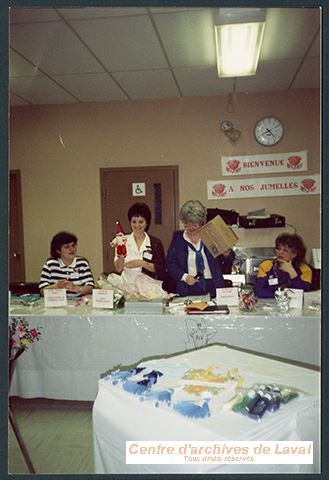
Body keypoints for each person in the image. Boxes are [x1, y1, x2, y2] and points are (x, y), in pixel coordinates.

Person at [166, 200, 228, 298]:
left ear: (201, 222)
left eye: (195, 224)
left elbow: (226, 261)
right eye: (187, 224)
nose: (190, 228)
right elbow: (170, 263)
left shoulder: (210, 235)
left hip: (212, 285)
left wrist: (226, 253)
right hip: (188, 285)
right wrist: (184, 277)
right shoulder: (178, 238)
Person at [113, 202, 166, 282]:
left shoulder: (155, 243)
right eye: (134, 222)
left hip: (149, 284)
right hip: (127, 283)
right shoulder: (122, 241)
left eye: (141, 222)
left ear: (147, 223)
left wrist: (141, 263)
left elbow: (160, 269)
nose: (137, 225)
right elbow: (119, 269)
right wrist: (121, 251)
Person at [256, 233, 312, 298]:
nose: (280, 252)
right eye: (278, 249)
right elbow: (259, 291)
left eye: (285, 250)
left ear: (294, 254)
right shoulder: (266, 265)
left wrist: (292, 273)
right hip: (270, 304)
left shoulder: (304, 269)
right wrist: (283, 295)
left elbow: (304, 293)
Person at [39, 231, 94, 297]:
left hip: (79, 303)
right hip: (56, 302)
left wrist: (75, 288)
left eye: (73, 245)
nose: (72, 249)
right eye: (66, 247)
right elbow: (42, 292)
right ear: (58, 251)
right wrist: (56, 286)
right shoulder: (50, 265)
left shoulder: (83, 263)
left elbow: (90, 288)